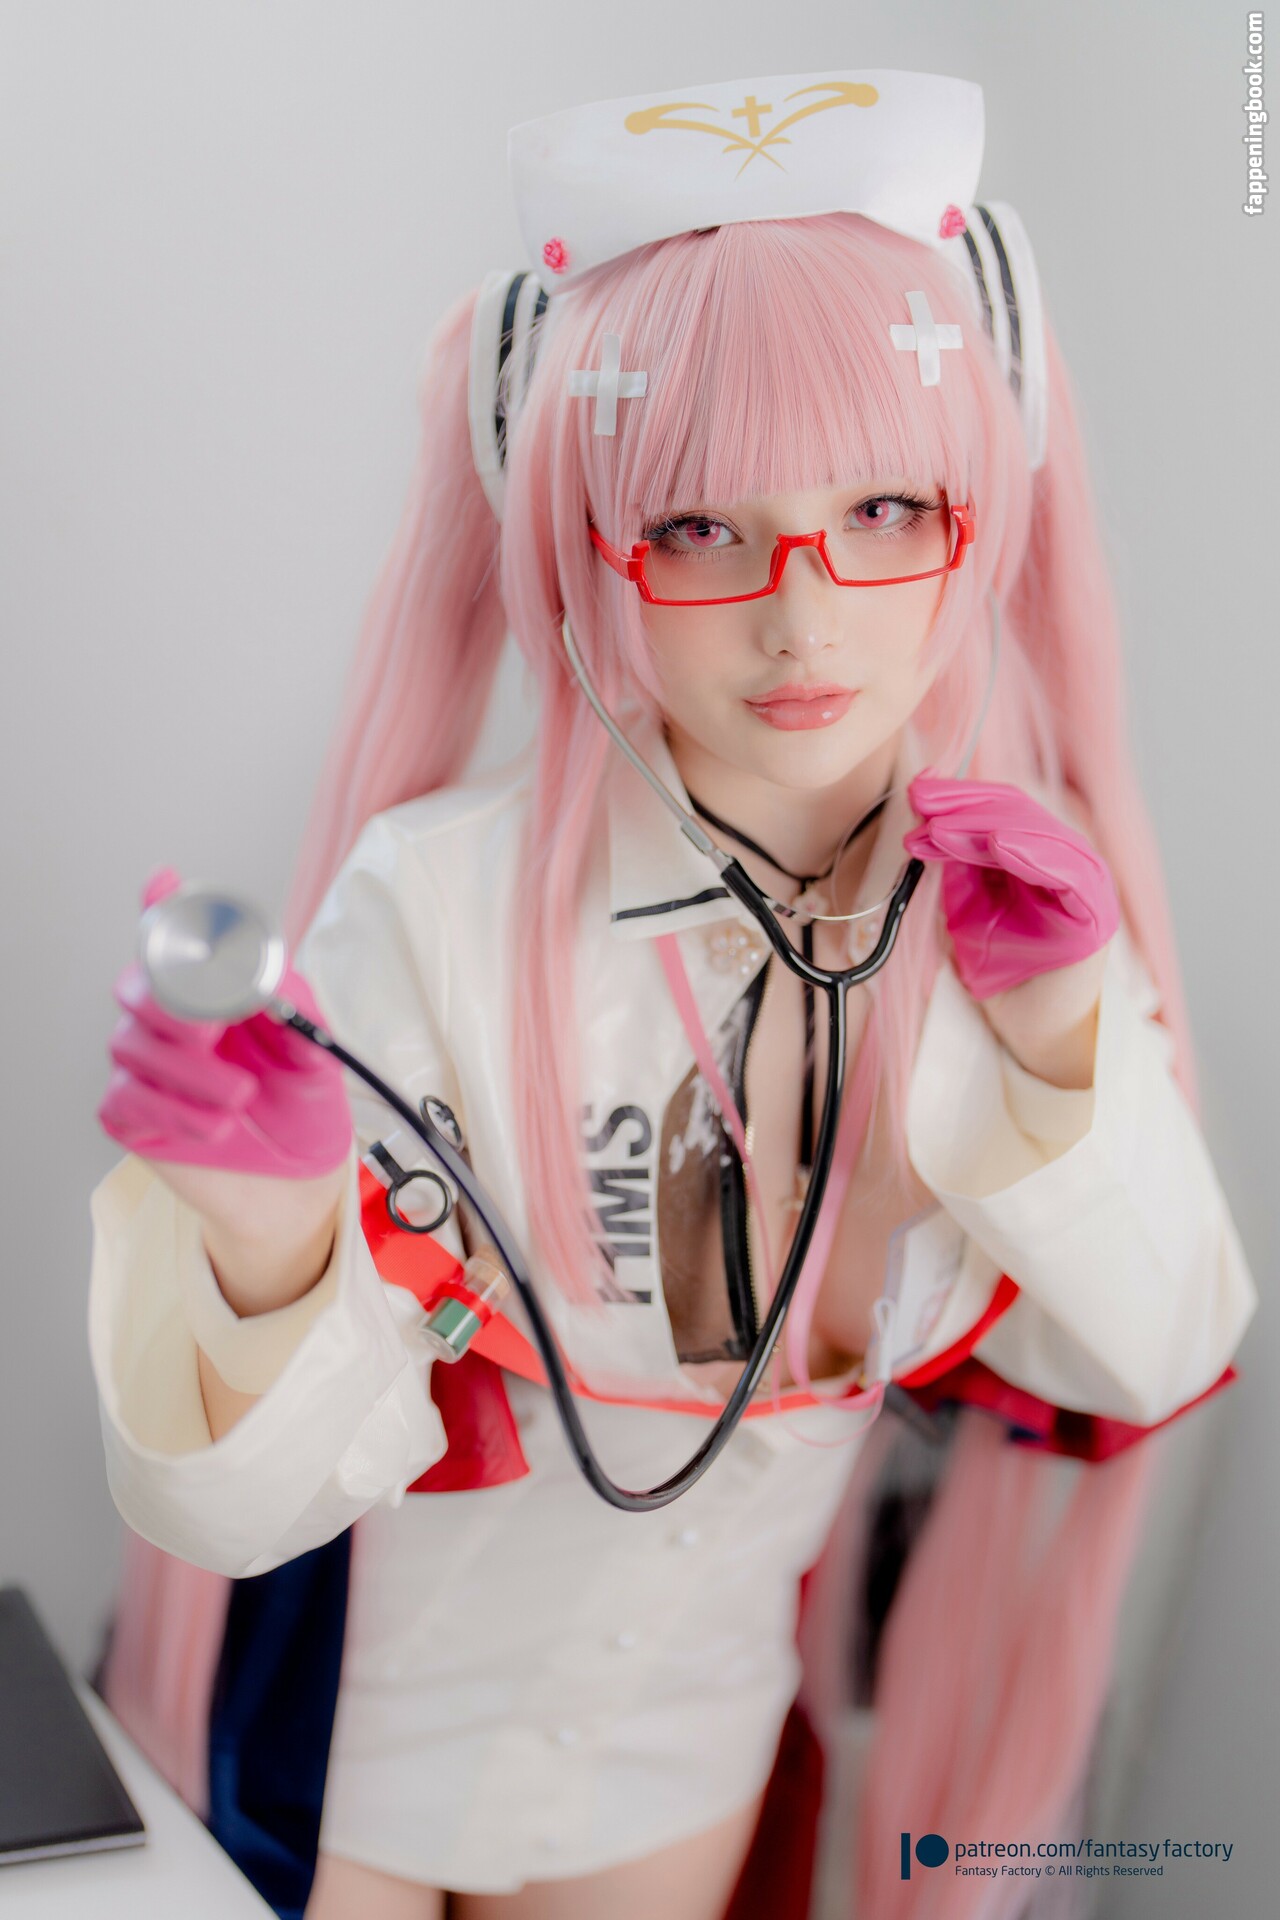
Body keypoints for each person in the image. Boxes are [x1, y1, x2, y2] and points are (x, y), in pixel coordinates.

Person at [88, 69, 1257, 1920]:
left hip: (680, 1759)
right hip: (367, 1749)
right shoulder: (440, 901)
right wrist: (260, 1246)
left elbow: (1160, 1357)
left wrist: (1056, 1045)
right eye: (701, 529)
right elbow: (247, 1508)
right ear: (576, 533)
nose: (806, 620)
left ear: (988, 500)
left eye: (889, 506)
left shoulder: (1015, 922)